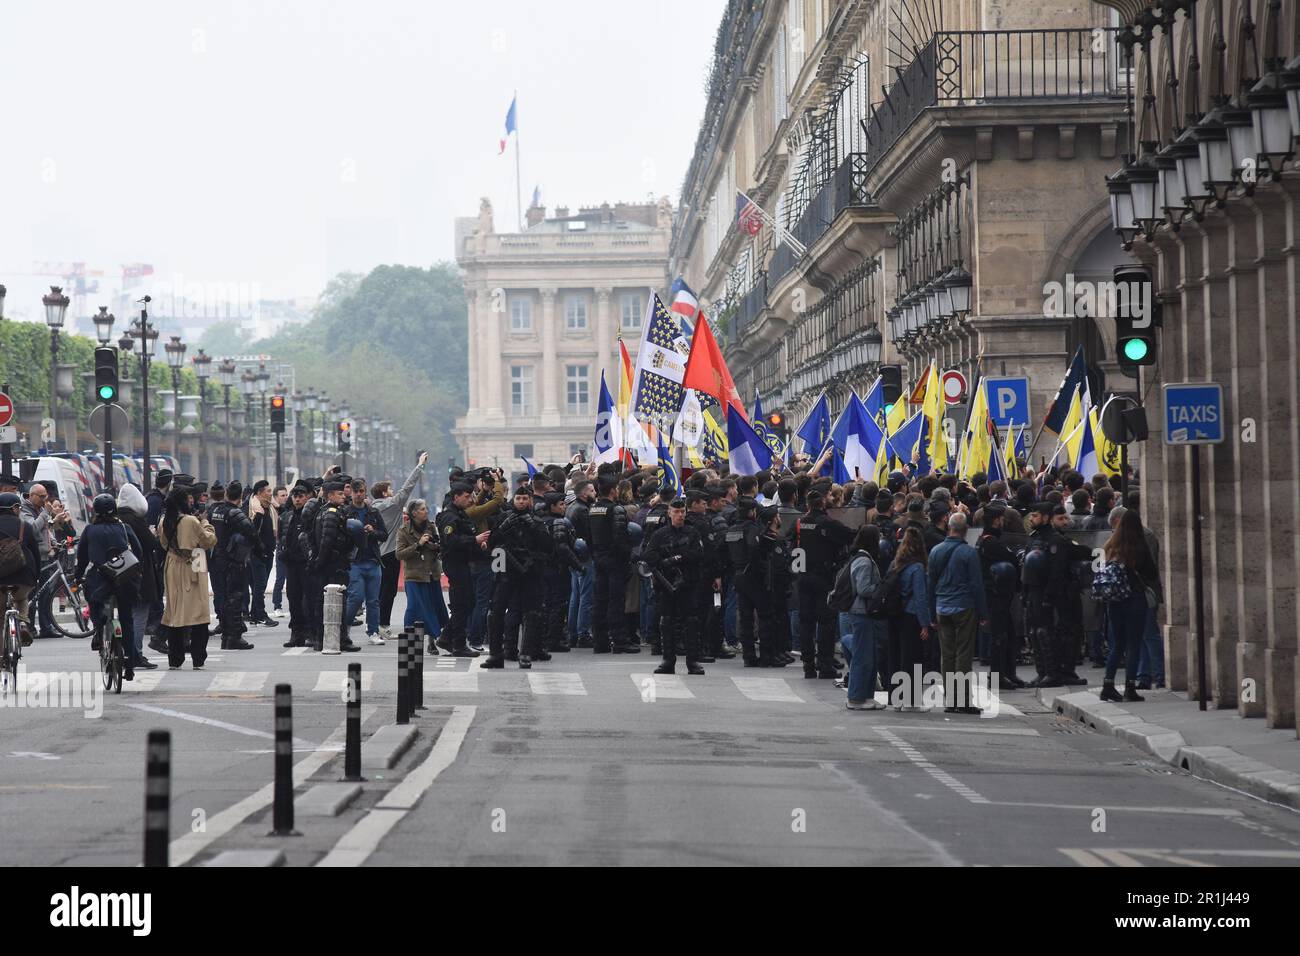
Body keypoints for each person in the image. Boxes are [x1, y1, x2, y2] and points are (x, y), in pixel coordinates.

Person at [483, 481, 554, 668]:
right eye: (518, 498)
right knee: (496, 612)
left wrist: (534, 528)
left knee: (532, 613)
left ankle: (526, 654)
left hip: (530, 573)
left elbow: (548, 547)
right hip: (506, 572)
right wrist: (503, 528)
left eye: (524, 498)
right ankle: (496, 654)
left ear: (530, 500)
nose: (521, 501)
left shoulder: (538, 521)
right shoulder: (503, 519)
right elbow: (491, 545)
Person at [75, 495, 145, 682]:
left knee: (96, 604)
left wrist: (78, 575)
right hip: (124, 579)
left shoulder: (89, 530)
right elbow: (138, 551)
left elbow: (82, 557)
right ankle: (129, 661)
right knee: (127, 619)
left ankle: (99, 631)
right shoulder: (124, 527)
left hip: (100, 580)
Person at [927, 512, 988, 714]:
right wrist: (983, 612)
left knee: (947, 655)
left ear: (949, 527)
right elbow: (976, 585)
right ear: (965, 531)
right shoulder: (969, 553)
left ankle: (950, 700)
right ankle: (963, 700)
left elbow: (930, 583)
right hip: (964, 606)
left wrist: (930, 611)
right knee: (964, 654)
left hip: (942, 607)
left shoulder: (935, 551)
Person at [1099, 509, 1160, 703]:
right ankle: (1130, 686)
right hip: (1134, 598)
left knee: (1116, 644)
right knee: (1133, 643)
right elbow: (1151, 572)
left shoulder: (1110, 545)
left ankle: (1107, 684)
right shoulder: (1138, 545)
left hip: (1114, 599)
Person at [157, 485, 218, 669]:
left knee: (175, 613)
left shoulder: (163, 521)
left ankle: (175, 659)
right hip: (193, 563)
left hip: (172, 564)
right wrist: (206, 523)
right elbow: (208, 540)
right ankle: (198, 658)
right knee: (198, 613)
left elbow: (163, 543)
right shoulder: (191, 520)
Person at [795, 489, 853, 679]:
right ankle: (825, 664)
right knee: (826, 622)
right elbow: (850, 536)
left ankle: (808, 665)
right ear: (821, 503)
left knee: (806, 622)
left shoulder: (799, 523)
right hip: (824, 577)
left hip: (803, 576)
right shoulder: (828, 522)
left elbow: (788, 542)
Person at [643, 497, 705, 675]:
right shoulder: (660, 534)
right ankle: (668, 661)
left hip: (688, 583)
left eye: (682, 512)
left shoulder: (692, 532)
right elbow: (649, 556)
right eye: (676, 512)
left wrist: (677, 558)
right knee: (667, 622)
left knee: (691, 622)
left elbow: (698, 554)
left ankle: (692, 661)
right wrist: (665, 561)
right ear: (669, 513)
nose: (680, 515)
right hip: (667, 584)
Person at [372, 452, 428, 641]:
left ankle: (374, 626)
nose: (394, 492)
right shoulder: (392, 505)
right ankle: (383, 626)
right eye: (390, 490)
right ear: (384, 494)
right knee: (389, 592)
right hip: (390, 553)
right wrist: (420, 465)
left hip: (376, 553)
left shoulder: (371, 507)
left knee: (378, 592)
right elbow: (408, 486)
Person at [588, 474, 639, 654]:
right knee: (616, 601)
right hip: (615, 559)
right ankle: (620, 641)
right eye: (616, 488)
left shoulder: (593, 508)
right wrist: (627, 555)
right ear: (612, 490)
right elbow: (620, 537)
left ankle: (600, 642)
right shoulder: (616, 509)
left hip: (598, 557)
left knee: (600, 600)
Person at [976, 503, 1024, 690]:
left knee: (1008, 634)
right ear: (996, 521)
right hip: (995, 596)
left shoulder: (987, 541)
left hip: (1000, 596)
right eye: (1002, 519)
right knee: (1000, 636)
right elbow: (1011, 559)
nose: (1003, 522)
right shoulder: (990, 543)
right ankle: (997, 676)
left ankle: (1008, 672)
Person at [209, 482, 261, 650]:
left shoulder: (215, 511)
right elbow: (251, 532)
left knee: (223, 597)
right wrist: (260, 549)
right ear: (240, 497)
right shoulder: (234, 512)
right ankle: (233, 636)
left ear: (226, 494)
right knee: (235, 598)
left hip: (217, 559)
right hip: (233, 561)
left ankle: (226, 633)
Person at [116, 484, 160, 670]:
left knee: (126, 615)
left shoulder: (115, 518)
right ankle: (136, 654)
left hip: (118, 572)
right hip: (139, 573)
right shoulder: (135, 520)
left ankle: (123, 651)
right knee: (140, 614)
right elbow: (150, 544)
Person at [313, 479, 360, 652]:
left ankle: (321, 639)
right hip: (334, 564)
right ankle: (341, 640)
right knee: (338, 603)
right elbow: (327, 540)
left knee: (322, 603)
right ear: (330, 495)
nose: (343, 496)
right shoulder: (333, 513)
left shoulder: (322, 511)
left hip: (327, 563)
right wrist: (323, 561)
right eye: (340, 493)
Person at [21, 482, 72, 641]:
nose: (44, 500)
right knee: (33, 594)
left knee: (45, 592)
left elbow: (46, 530)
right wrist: (46, 514)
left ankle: (46, 626)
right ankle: (29, 627)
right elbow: (32, 529)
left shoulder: (40, 509)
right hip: (33, 557)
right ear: (31, 495)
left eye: (45, 497)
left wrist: (54, 542)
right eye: (41, 497)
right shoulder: (25, 510)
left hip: (44, 555)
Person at [887, 527, 931, 711]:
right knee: (912, 658)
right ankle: (911, 701)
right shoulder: (918, 567)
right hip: (911, 615)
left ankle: (896, 698)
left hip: (894, 614)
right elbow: (920, 597)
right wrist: (925, 623)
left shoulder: (895, 564)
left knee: (895, 656)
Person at [395, 498, 450, 639]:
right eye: (422, 509)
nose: (426, 511)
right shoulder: (404, 530)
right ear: (414, 513)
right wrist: (418, 544)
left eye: (426, 508)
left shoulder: (431, 527)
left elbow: (439, 547)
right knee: (414, 607)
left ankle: (434, 637)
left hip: (431, 573)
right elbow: (399, 554)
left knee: (435, 607)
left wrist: (436, 545)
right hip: (414, 574)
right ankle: (410, 637)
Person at [844, 525, 885, 711]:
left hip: (862, 612)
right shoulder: (864, 561)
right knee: (863, 656)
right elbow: (863, 589)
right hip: (861, 612)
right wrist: (880, 589)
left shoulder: (861, 558)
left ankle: (866, 696)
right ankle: (856, 697)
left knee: (869, 656)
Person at [343, 478, 388, 645]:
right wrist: (355, 533)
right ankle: (345, 627)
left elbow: (384, 535)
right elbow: (340, 538)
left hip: (373, 561)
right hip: (355, 562)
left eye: (361, 491)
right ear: (351, 493)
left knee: (373, 600)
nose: (359, 495)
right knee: (355, 597)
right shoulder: (345, 512)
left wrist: (372, 531)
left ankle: (373, 631)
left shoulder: (373, 512)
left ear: (365, 491)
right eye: (356, 492)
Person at [0, 491, 42, 647]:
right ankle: (23, 624)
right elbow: (36, 554)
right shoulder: (25, 526)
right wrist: (36, 575)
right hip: (23, 578)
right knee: (22, 599)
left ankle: (2, 658)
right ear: (15, 508)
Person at [278, 483, 313, 648]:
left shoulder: (311, 515)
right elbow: (282, 537)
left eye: (301, 496)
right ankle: (296, 632)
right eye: (295, 496)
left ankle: (308, 631)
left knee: (308, 599)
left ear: (307, 497)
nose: (298, 499)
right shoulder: (286, 516)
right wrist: (282, 553)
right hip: (291, 563)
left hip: (306, 563)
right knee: (293, 598)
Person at [565, 478, 597, 648]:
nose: (595, 493)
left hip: (574, 557)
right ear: (584, 493)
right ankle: (583, 633)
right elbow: (589, 535)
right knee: (585, 596)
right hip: (584, 557)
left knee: (575, 596)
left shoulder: (571, 507)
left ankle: (573, 633)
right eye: (592, 491)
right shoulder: (583, 510)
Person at [247, 480, 279, 628]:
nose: (270, 493)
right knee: (259, 586)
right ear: (260, 493)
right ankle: (261, 614)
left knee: (261, 585)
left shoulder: (269, 508)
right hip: (258, 554)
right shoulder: (256, 511)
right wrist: (260, 549)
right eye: (267, 491)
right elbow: (252, 533)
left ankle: (254, 614)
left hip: (268, 552)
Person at [269, 484, 290, 617]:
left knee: (291, 578)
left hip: (290, 547)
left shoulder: (288, 509)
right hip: (281, 546)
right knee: (280, 578)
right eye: (282, 495)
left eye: (286, 495)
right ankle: (277, 605)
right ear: (276, 497)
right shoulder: (273, 510)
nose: (285, 497)